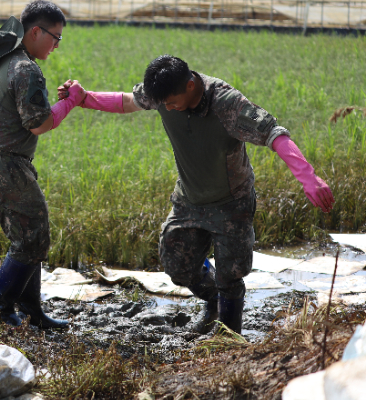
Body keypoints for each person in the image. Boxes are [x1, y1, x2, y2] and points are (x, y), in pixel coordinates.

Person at [59, 55, 334, 334]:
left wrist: (309, 179)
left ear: (190, 85)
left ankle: (229, 335)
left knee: (231, 274)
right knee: (177, 263)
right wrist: (84, 98)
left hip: (231, 202)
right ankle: (213, 301)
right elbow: (127, 101)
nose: (167, 108)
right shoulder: (163, 92)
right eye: (162, 103)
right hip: (189, 199)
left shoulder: (226, 103)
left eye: (171, 101)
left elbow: (274, 134)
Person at [0, 0, 85, 328]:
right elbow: (39, 123)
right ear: (35, 31)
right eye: (55, 37)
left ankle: (31, 312)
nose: (57, 45)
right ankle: (0, 308)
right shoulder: (25, 68)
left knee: (28, 236)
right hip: (6, 166)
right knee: (33, 238)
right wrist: (71, 102)